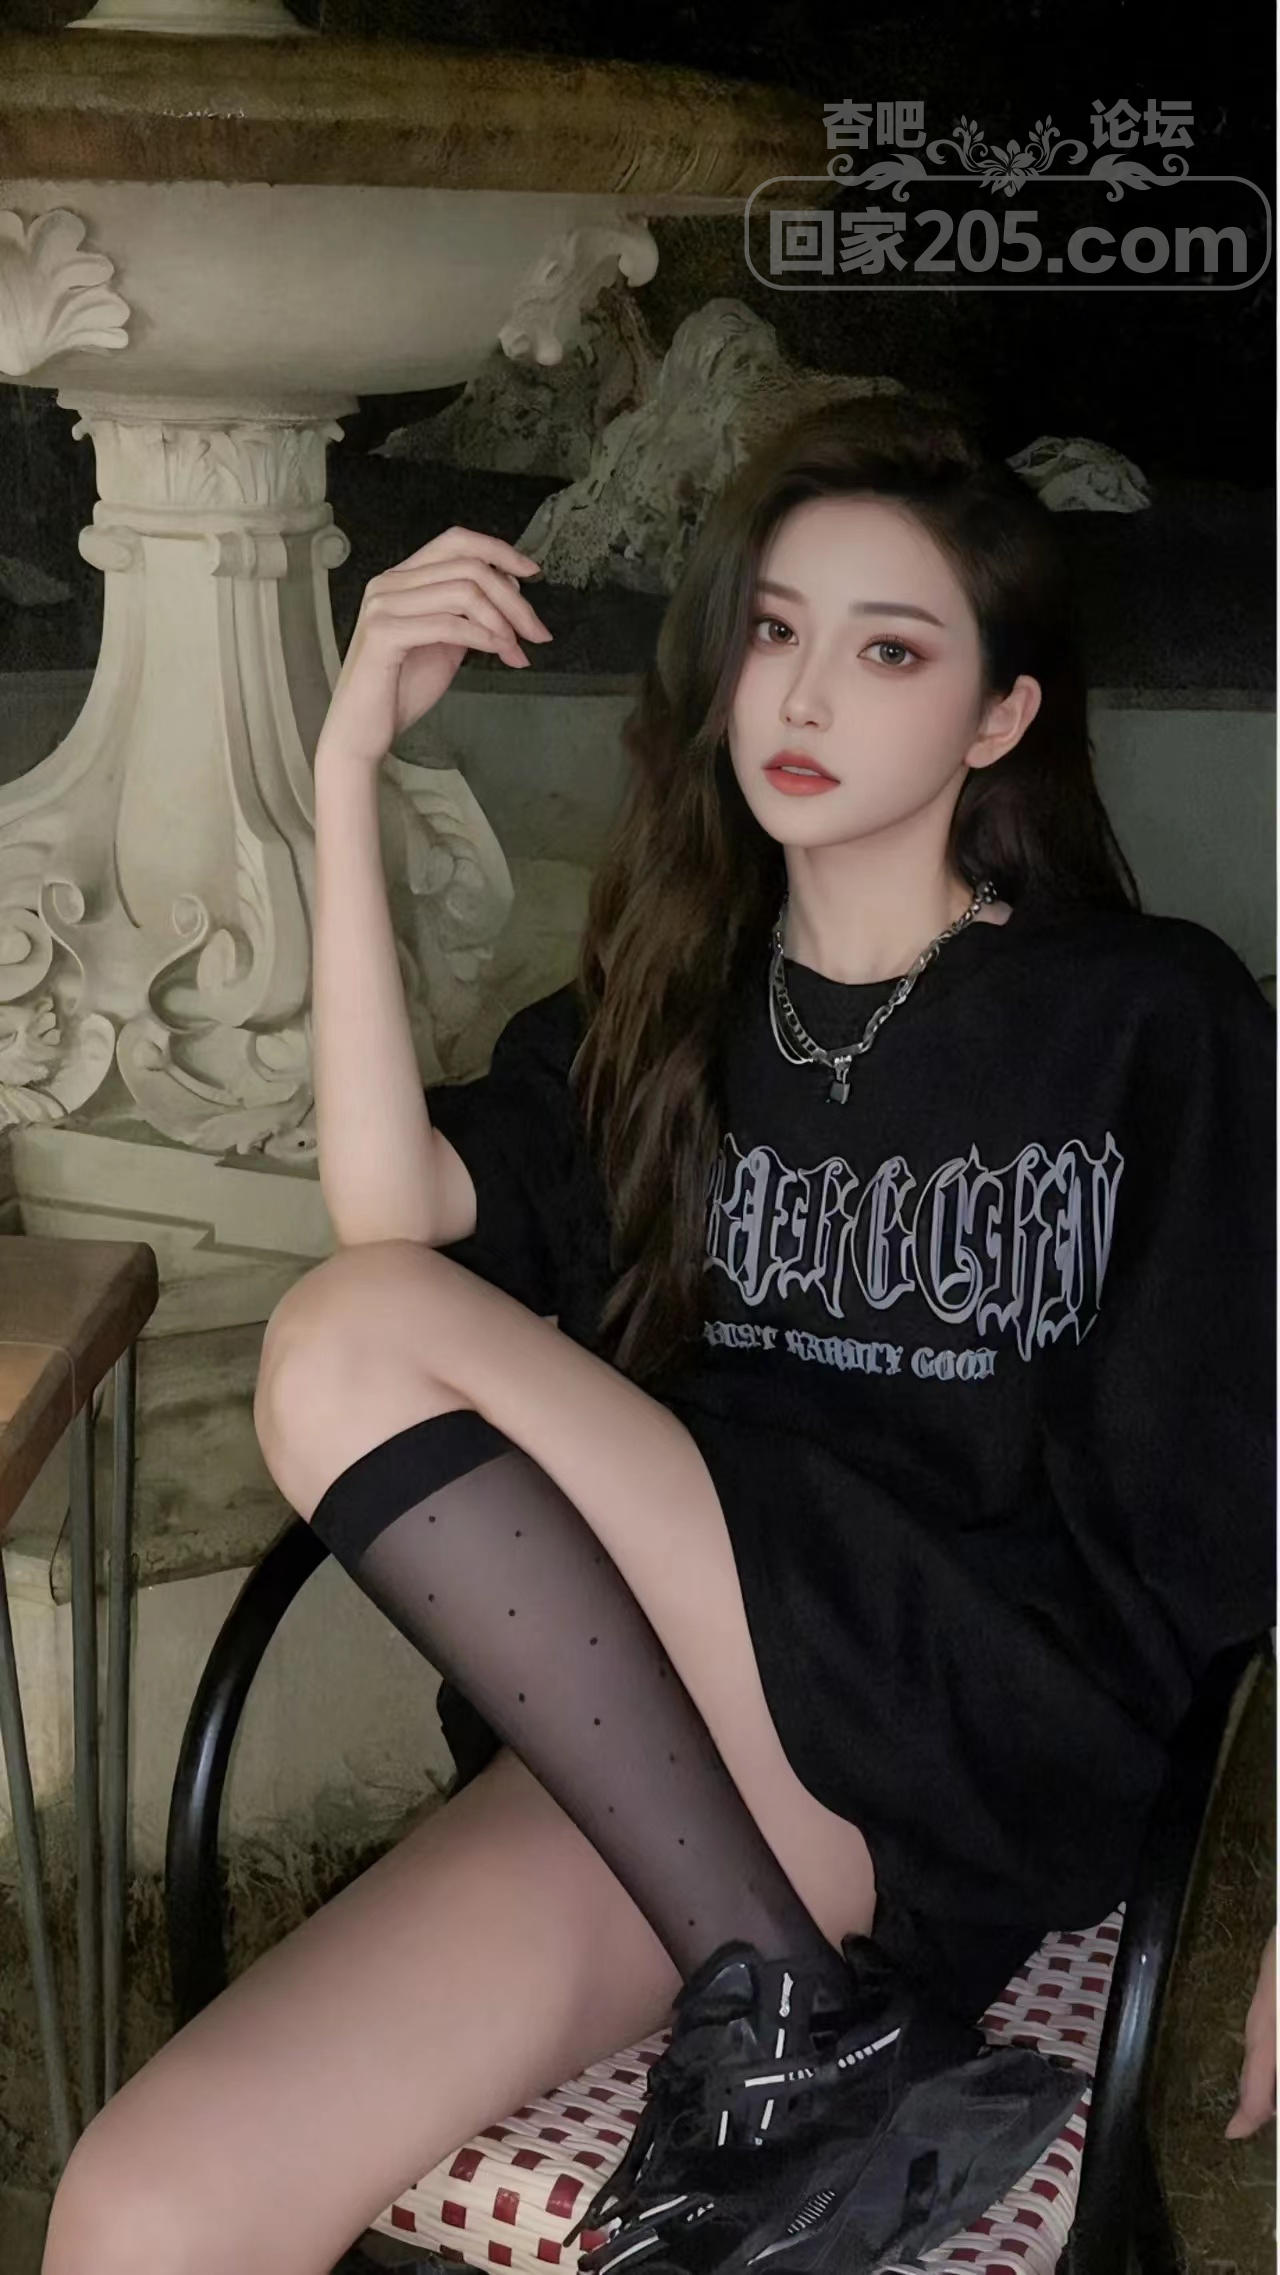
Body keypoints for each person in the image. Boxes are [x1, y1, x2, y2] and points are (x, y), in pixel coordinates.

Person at [41, 400, 1275, 2275]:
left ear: (1000, 716)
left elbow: (1254, 1437)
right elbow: (391, 1207)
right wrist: (344, 767)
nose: (805, 693)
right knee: (145, 2210)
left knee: (356, 1321)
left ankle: (797, 2019)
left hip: (950, 1725)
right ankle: (791, 2016)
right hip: (664, 1758)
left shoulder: (1144, 1017)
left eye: (890, 651)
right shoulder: (661, 1011)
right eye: (773, 630)